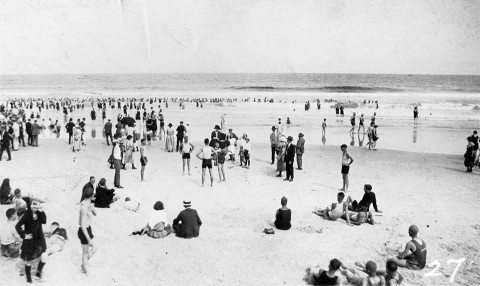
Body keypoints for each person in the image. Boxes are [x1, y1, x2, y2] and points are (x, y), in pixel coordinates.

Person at [15, 199, 47, 282]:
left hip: (40, 238)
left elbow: (44, 221)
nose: (36, 208)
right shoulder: (26, 214)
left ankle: (38, 272)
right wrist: (24, 235)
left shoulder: (39, 213)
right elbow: (17, 226)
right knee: (28, 260)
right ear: (30, 205)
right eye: (34, 206)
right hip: (30, 240)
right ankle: (29, 278)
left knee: (44, 255)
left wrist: (42, 211)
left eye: (37, 206)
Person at [78, 188, 97, 274]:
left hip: (88, 229)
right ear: (92, 196)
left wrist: (92, 209)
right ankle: (84, 266)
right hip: (84, 230)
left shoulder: (88, 204)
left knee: (92, 249)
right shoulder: (84, 207)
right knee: (86, 251)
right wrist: (88, 238)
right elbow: (82, 225)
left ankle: (84, 264)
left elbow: (95, 214)